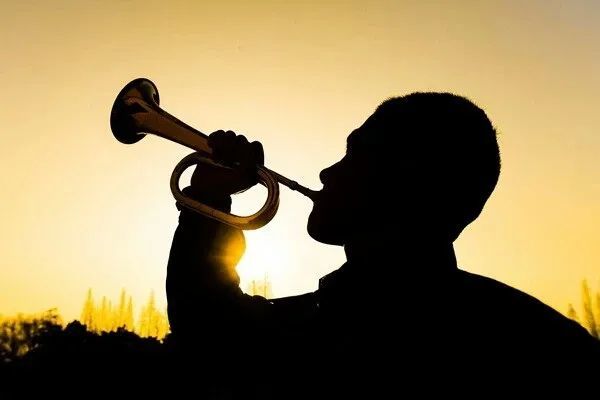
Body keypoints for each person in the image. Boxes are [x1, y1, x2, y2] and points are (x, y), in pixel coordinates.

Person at [165, 93, 598, 395]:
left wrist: (208, 203)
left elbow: (212, 334)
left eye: (355, 155)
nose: (327, 173)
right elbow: (213, 327)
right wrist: (208, 202)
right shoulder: (546, 339)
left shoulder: (334, 328)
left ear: (408, 177)